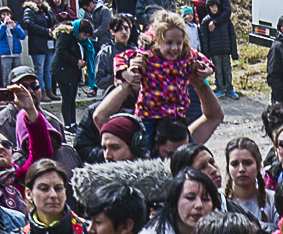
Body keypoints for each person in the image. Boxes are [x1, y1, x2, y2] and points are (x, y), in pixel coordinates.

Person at [93, 10, 226, 154]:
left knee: (189, 153)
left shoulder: (186, 57)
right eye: (168, 43)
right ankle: (148, 158)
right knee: (144, 149)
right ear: (158, 41)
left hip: (176, 115)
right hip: (149, 114)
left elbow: (206, 62)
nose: (174, 48)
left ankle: (187, 157)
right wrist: (126, 76)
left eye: (178, 43)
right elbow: (120, 59)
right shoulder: (148, 57)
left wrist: (204, 73)